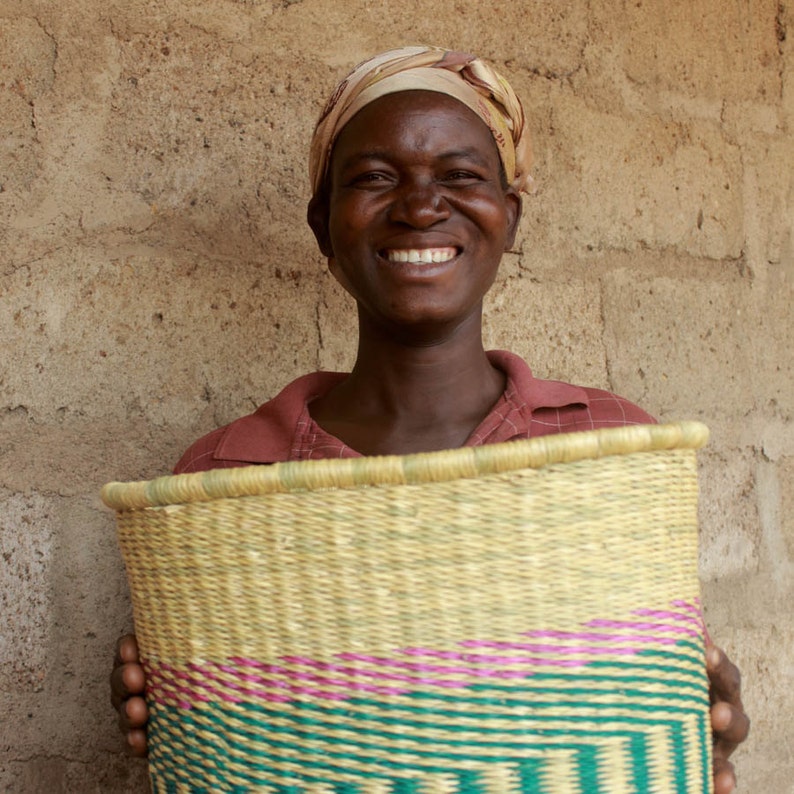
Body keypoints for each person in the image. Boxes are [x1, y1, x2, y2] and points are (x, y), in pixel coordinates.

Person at [110, 46, 749, 792]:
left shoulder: (609, 446)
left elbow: (660, 724)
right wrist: (173, 721)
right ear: (323, 225)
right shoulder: (223, 480)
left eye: (461, 176)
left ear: (508, 216)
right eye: (376, 178)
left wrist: (711, 730)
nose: (419, 207)